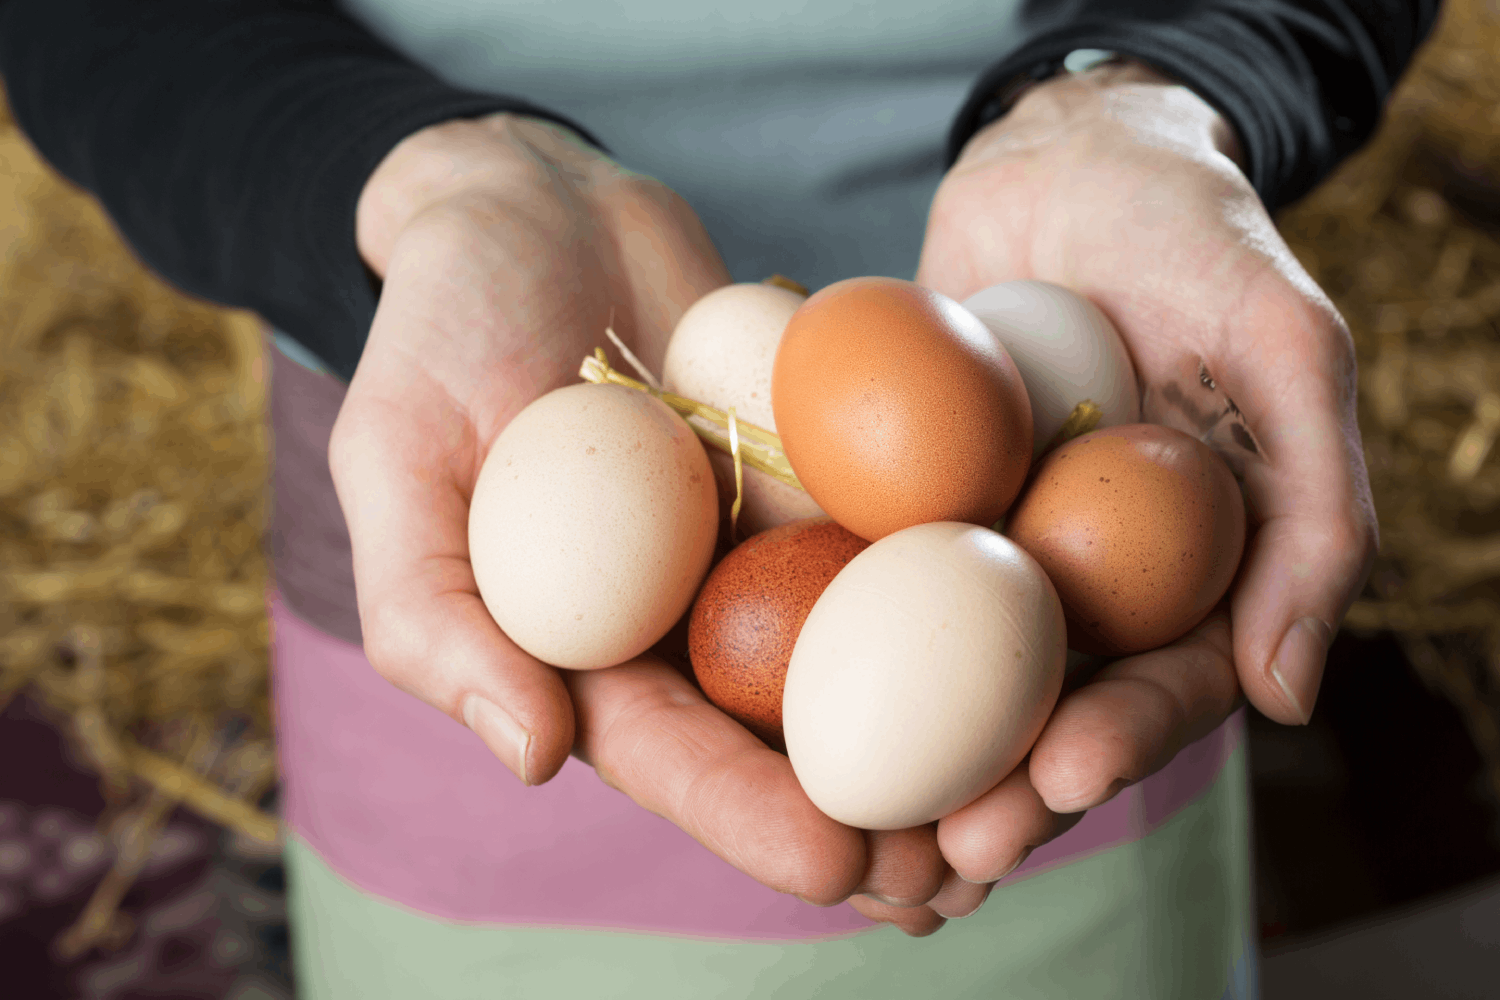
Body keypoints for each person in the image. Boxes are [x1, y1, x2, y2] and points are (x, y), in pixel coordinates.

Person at [0, 0, 1434, 995]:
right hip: (478, 391)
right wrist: (408, 180)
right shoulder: (532, 483)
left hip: (1070, 430)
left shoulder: (1056, 540)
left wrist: (1162, 81)